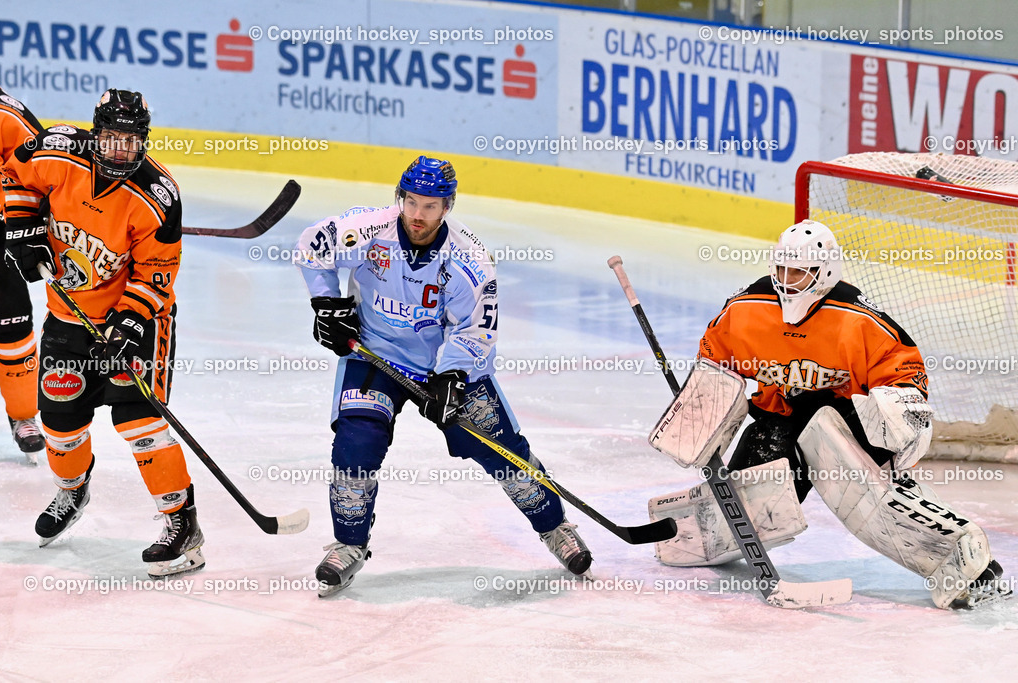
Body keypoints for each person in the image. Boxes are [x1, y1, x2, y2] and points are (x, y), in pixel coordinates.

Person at [654, 220, 1008, 609]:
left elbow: (904, 372)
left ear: (823, 273)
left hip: (842, 425)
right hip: (779, 420)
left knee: (861, 490)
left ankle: (966, 562)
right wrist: (703, 411)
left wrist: (900, 416)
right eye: (782, 270)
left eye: (799, 273)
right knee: (738, 514)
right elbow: (715, 363)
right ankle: (693, 534)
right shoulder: (747, 309)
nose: (787, 281)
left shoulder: (858, 320)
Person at [297, 155, 592, 595]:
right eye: (411, 202)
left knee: (501, 450)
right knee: (356, 443)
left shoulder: (469, 259)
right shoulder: (365, 230)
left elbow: (477, 329)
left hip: (446, 365)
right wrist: (326, 304)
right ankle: (348, 544)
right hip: (374, 354)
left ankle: (554, 527)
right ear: (399, 199)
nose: (418, 214)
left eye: (430, 206)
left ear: (448, 207)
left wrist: (451, 376)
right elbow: (310, 249)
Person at [0, 88, 205, 577]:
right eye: (111, 140)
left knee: (139, 423)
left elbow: (157, 272)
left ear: (143, 142)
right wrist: (24, 224)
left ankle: (183, 524)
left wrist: (130, 321)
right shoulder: (55, 150)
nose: (120, 152)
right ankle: (73, 489)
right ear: (95, 135)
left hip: (136, 323)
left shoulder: (157, 195)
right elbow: (15, 175)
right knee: (60, 424)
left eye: (131, 143)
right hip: (67, 317)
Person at [0, 84, 45, 463]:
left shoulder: (5, 116)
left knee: (11, 326)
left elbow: (38, 168)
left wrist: (24, 217)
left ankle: (24, 416)